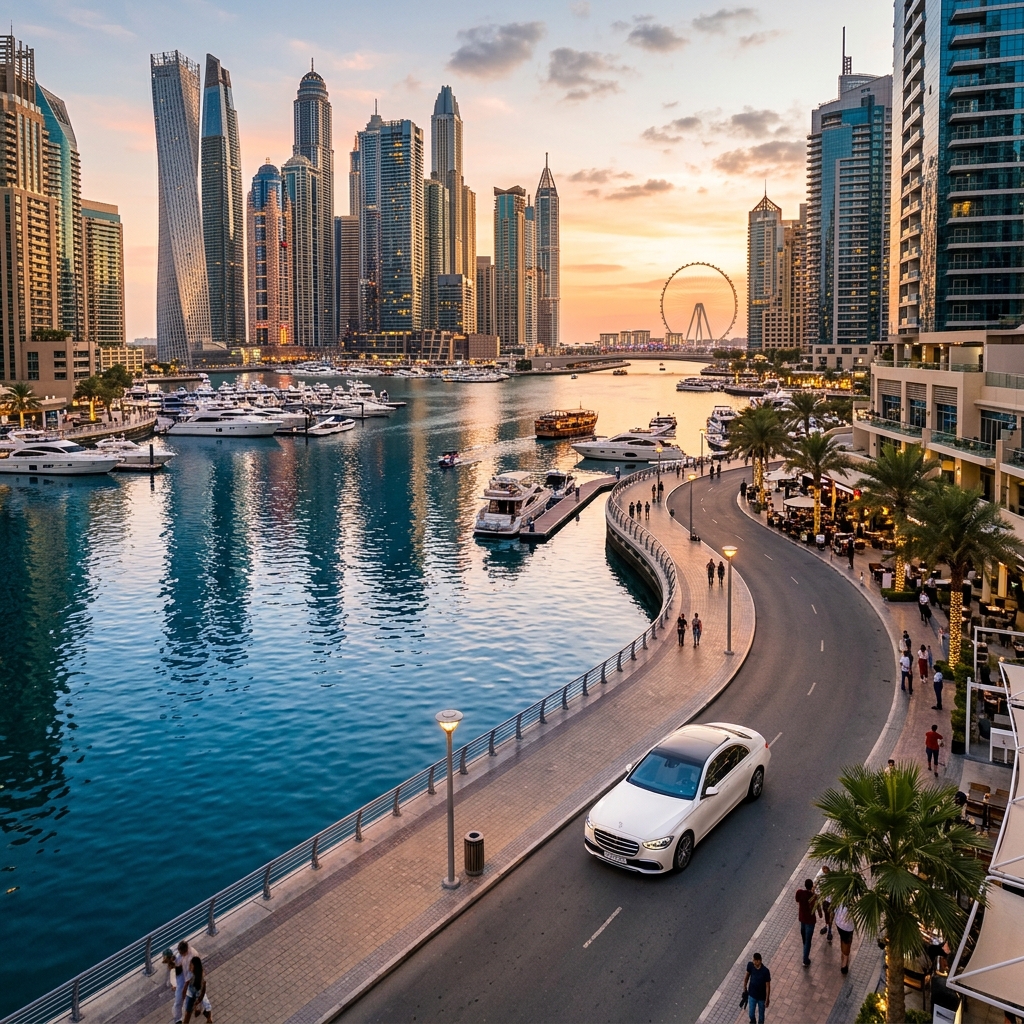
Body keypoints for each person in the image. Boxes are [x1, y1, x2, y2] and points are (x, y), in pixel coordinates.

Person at [182, 954, 213, 1023]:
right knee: (188, 1012)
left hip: (194, 995)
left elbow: (201, 993)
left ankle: (209, 1019)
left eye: (191, 966)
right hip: (192, 994)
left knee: (206, 1005)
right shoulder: (194, 975)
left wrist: (197, 1002)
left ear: (195, 968)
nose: (189, 967)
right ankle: (207, 1018)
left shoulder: (200, 980)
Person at [743, 953, 771, 1024]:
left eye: (755, 960)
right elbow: (746, 977)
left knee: (761, 1017)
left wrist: (767, 999)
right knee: (751, 1014)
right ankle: (753, 1022)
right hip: (752, 995)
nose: (754, 962)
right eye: (753, 960)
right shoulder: (750, 966)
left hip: (761, 998)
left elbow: (768, 986)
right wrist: (744, 987)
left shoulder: (765, 971)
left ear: (760, 961)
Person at [795, 878, 817, 966]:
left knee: (804, 938)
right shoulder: (813, 897)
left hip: (802, 919)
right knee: (808, 941)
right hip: (810, 921)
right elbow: (815, 908)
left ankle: (805, 951)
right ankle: (805, 959)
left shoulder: (800, 893)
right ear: (812, 886)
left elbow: (797, 900)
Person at [834, 902, 855, 974]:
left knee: (843, 939)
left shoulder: (840, 898)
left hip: (838, 921)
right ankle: (844, 962)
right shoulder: (851, 903)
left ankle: (843, 955)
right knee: (847, 942)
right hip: (847, 926)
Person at [815, 865, 833, 943]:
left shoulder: (832, 877)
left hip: (832, 900)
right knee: (826, 914)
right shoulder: (820, 876)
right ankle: (827, 926)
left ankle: (829, 931)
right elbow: (816, 885)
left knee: (831, 915)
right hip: (825, 899)